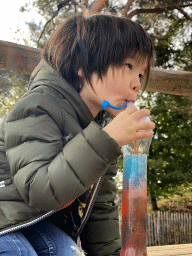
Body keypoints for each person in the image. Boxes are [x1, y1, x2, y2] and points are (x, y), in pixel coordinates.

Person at [0, 14, 155, 255]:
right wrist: (105, 141)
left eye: (140, 74)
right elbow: (38, 190)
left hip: (38, 226)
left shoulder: (103, 129)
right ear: (81, 66)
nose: (136, 82)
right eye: (128, 66)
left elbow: (100, 207)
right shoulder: (39, 105)